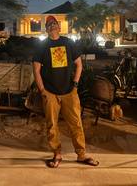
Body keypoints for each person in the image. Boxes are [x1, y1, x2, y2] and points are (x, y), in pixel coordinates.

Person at [33, 15, 99, 168]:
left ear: (59, 26)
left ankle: (81, 155)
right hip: (50, 92)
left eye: (54, 23)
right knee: (52, 125)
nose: (52, 26)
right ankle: (57, 154)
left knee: (76, 123)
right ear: (46, 28)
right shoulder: (42, 47)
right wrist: (43, 90)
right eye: (49, 24)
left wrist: (75, 85)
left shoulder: (68, 43)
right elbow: (36, 70)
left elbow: (79, 64)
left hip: (69, 91)